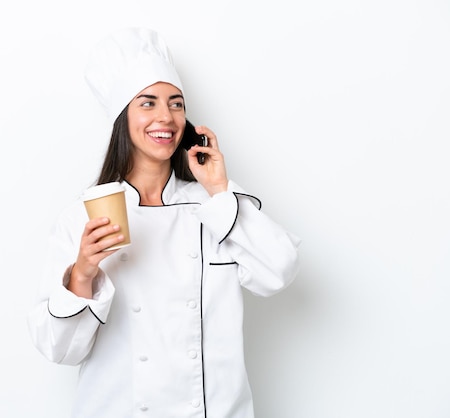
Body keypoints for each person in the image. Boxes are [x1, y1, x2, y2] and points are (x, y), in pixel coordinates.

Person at [27, 27, 301, 418]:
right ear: (124, 117)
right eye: (148, 103)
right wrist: (83, 273)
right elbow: (59, 349)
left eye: (176, 104)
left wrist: (219, 189)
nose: (165, 117)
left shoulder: (214, 206)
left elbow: (280, 270)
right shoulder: (83, 217)